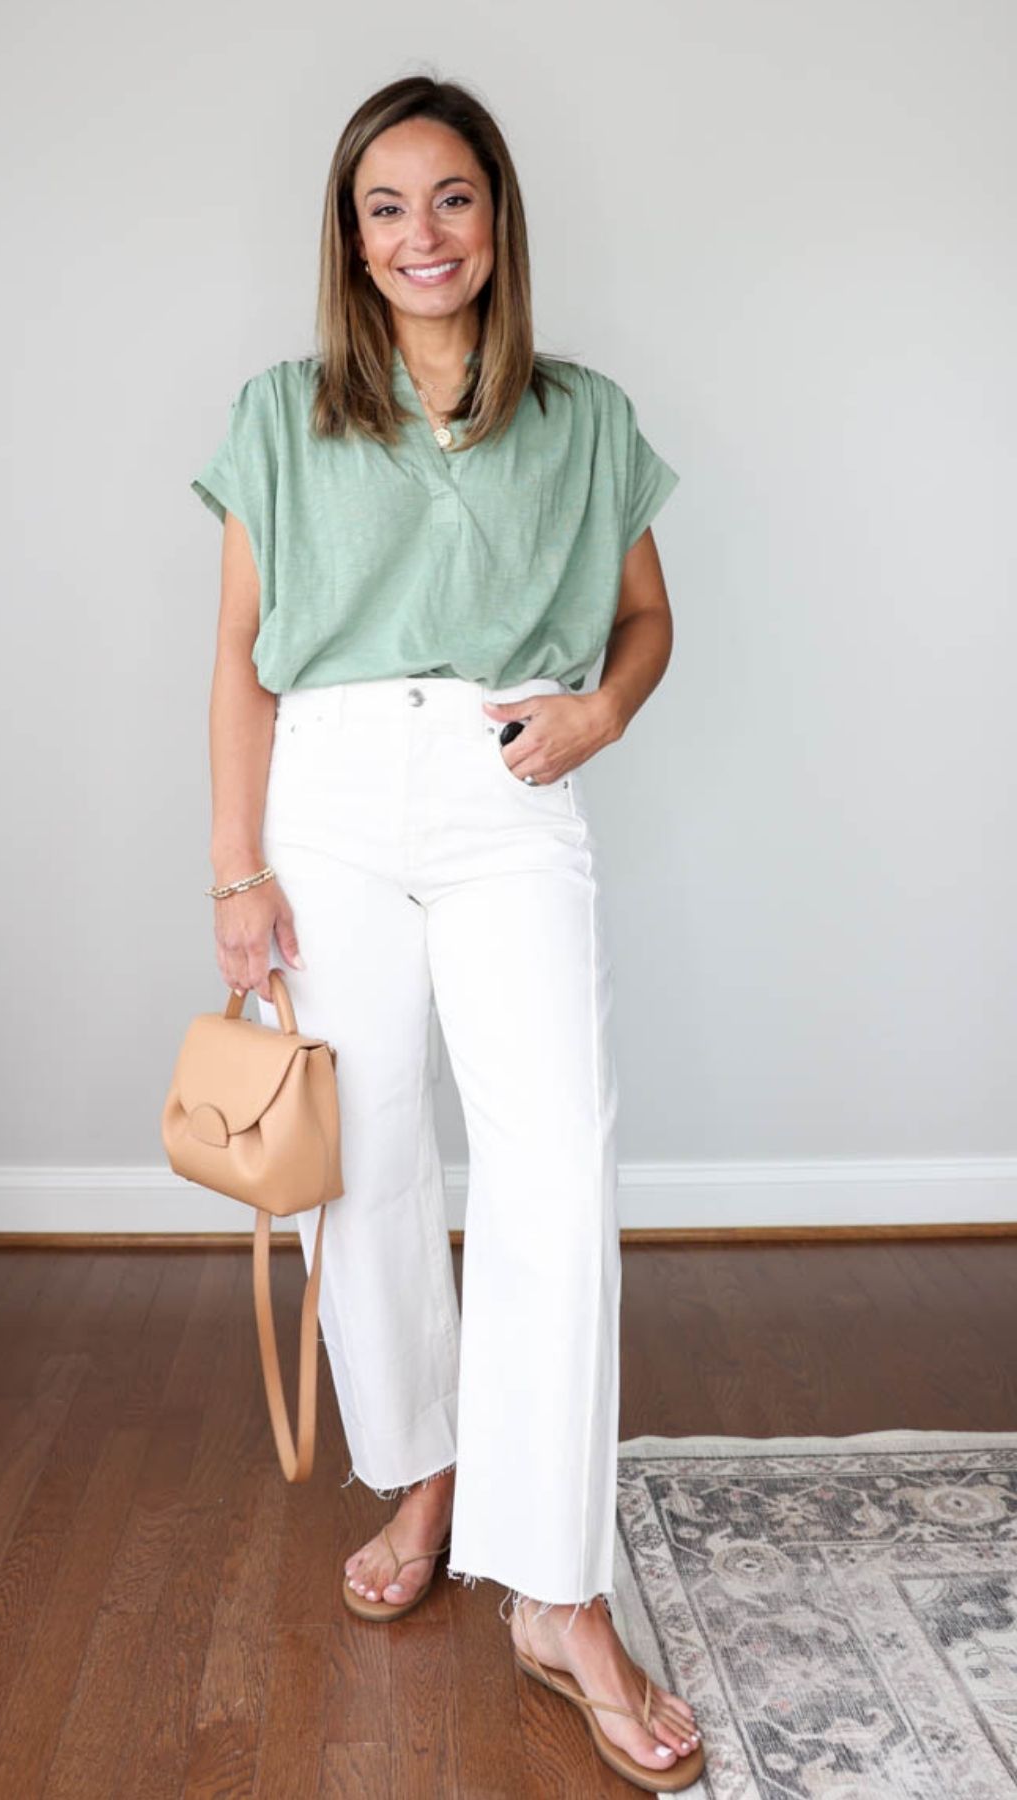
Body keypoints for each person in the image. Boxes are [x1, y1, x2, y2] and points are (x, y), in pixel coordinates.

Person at [191, 74, 703, 1790]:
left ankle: (558, 1592)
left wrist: (601, 714)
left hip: (506, 785)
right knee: (371, 1163)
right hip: (329, 799)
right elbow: (239, 659)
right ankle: (426, 1476)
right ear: (352, 238)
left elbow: (646, 618)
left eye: (455, 198)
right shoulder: (279, 415)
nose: (425, 234)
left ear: (498, 217)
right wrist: (235, 871)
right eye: (388, 205)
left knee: (554, 1157)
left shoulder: (585, 416)